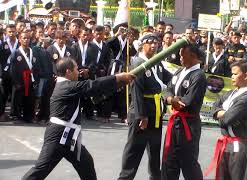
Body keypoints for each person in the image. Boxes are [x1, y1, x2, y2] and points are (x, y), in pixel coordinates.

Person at [22, 57, 134, 180]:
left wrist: (119, 82)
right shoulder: (66, 86)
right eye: (76, 69)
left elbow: (92, 88)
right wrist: (117, 77)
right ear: (68, 72)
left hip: (70, 136)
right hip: (58, 136)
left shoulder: (67, 85)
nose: (78, 72)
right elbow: (93, 85)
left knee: (86, 163)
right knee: (41, 169)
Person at [118, 33, 171, 180]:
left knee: (154, 150)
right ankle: (125, 178)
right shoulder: (137, 62)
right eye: (150, 42)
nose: (154, 45)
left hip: (156, 113)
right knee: (134, 150)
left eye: (156, 43)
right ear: (142, 44)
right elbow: (136, 91)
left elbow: (169, 78)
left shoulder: (157, 62)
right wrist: (141, 115)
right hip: (142, 114)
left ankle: (155, 177)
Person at [161, 44, 207, 180]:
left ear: (193, 56)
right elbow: (167, 90)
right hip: (174, 122)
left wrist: (173, 100)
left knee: (188, 162)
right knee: (169, 160)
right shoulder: (179, 71)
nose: (179, 57)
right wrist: (170, 99)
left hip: (188, 124)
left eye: (182, 55)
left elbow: (186, 102)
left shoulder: (198, 76)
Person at [204, 60, 247, 180]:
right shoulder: (231, 93)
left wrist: (222, 115)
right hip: (226, 143)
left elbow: (227, 120)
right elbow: (214, 107)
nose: (232, 77)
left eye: (235, 74)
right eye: (232, 74)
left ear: (246, 75)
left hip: (240, 144)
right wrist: (221, 113)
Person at [10, 30, 37, 123]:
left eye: (28, 38)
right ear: (20, 40)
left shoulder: (32, 51)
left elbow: (35, 66)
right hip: (19, 80)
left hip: (30, 78)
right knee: (18, 98)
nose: (26, 40)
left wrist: (35, 80)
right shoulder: (16, 53)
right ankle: (15, 116)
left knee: (29, 99)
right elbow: (12, 70)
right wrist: (15, 82)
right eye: (24, 38)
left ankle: (28, 116)